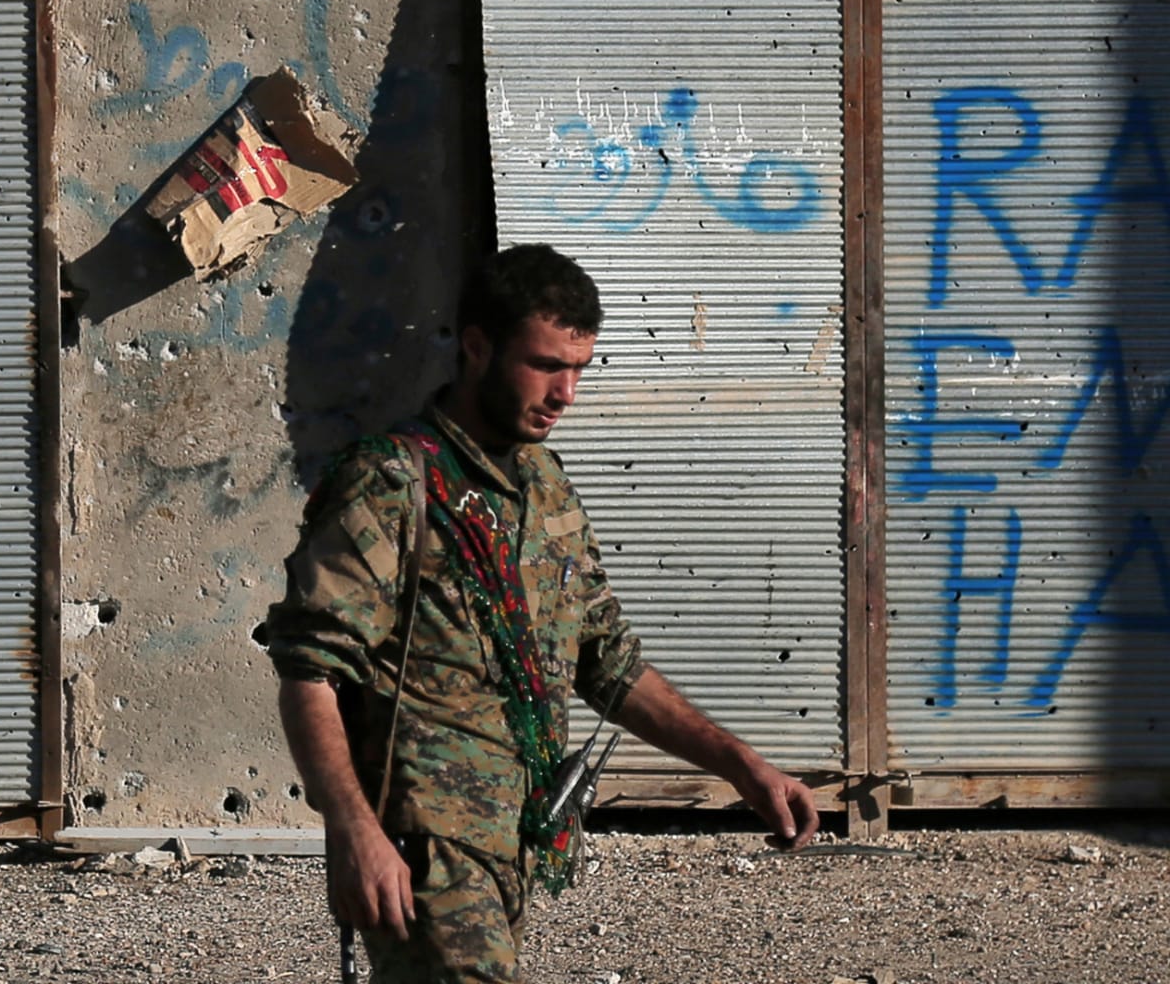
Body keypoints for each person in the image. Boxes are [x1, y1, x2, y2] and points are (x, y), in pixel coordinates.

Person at [265, 242, 819, 983]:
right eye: (546, 366)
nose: (567, 393)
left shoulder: (545, 489)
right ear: (477, 348)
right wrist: (353, 828)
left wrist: (742, 766)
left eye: (579, 369)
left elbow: (608, 663)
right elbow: (311, 669)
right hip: (424, 846)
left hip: (513, 840)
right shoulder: (394, 484)